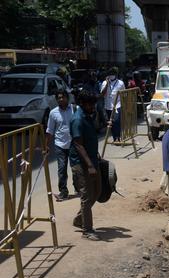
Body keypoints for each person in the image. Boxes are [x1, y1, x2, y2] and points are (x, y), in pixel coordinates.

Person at [69, 90, 101, 241]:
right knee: (86, 196)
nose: (93, 107)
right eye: (90, 104)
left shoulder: (88, 116)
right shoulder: (78, 119)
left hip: (92, 160)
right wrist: (89, 165)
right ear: (83, 104)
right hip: (81, 164)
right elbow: (78, 144)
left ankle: (79, 219)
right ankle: (87, 230)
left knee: (97, 191)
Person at [45, 89, 76, 201]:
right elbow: (50, 130)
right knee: (62, 169)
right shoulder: (53, 113)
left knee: (76, 168)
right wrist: (46, 145)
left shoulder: (74, 109)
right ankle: (63, 192)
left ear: (67, 98)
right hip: (60, 144)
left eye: (63, 97)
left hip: (74, 144)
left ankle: (78, 188)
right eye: (58, 97)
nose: (61, 99)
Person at [100, 67, 125, 142]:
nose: (111, 76)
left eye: (113, 74)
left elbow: (124, 93)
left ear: (116, 75)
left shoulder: (120, 83)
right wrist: (107, 83)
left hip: (117, 105)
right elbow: (102, 93)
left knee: (117, 121)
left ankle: (117, 137)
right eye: (110, 74)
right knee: (112, 122)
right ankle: (115, 138)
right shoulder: (104, 83)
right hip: (108, 106)